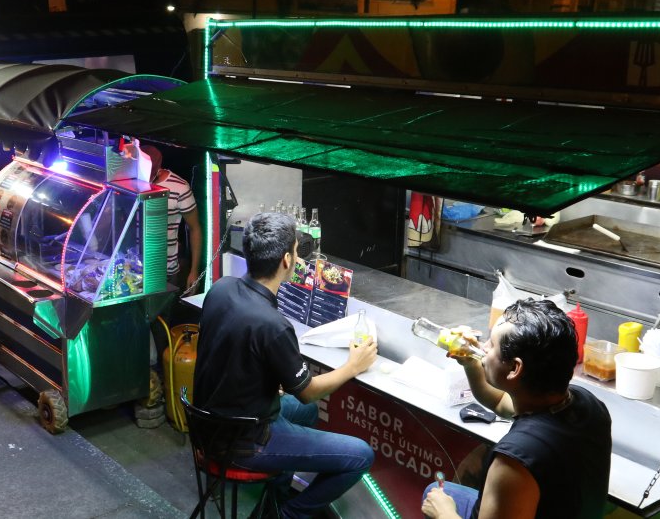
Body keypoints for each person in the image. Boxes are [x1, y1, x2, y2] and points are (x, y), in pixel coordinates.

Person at [193, 212, 378, 519]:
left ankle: (274, 496)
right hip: (244, 441)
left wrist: (265, 376)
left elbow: (231, 350)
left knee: (302, 413)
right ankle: (287, 515)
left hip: (209, 426)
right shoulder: (274, 326)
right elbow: (308, 391)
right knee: (360, 455)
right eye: (296, 251)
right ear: (286, 260)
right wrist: (353, 366)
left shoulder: (222, 288)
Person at [421, 298, 612, 519]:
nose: (483, 348)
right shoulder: (586, 403)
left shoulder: (513, 464)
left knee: (435, 498)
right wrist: (470, 363)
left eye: (491, 345)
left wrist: (444, 514)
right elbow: (500, 403)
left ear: (514, 368)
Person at [141, 144, 202, 294]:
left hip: (165, 271)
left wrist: (194, 272)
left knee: (161, 316)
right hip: (133, 267)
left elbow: (195, 229)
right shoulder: (131, 180)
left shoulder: (179, 188)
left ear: (157, 168)